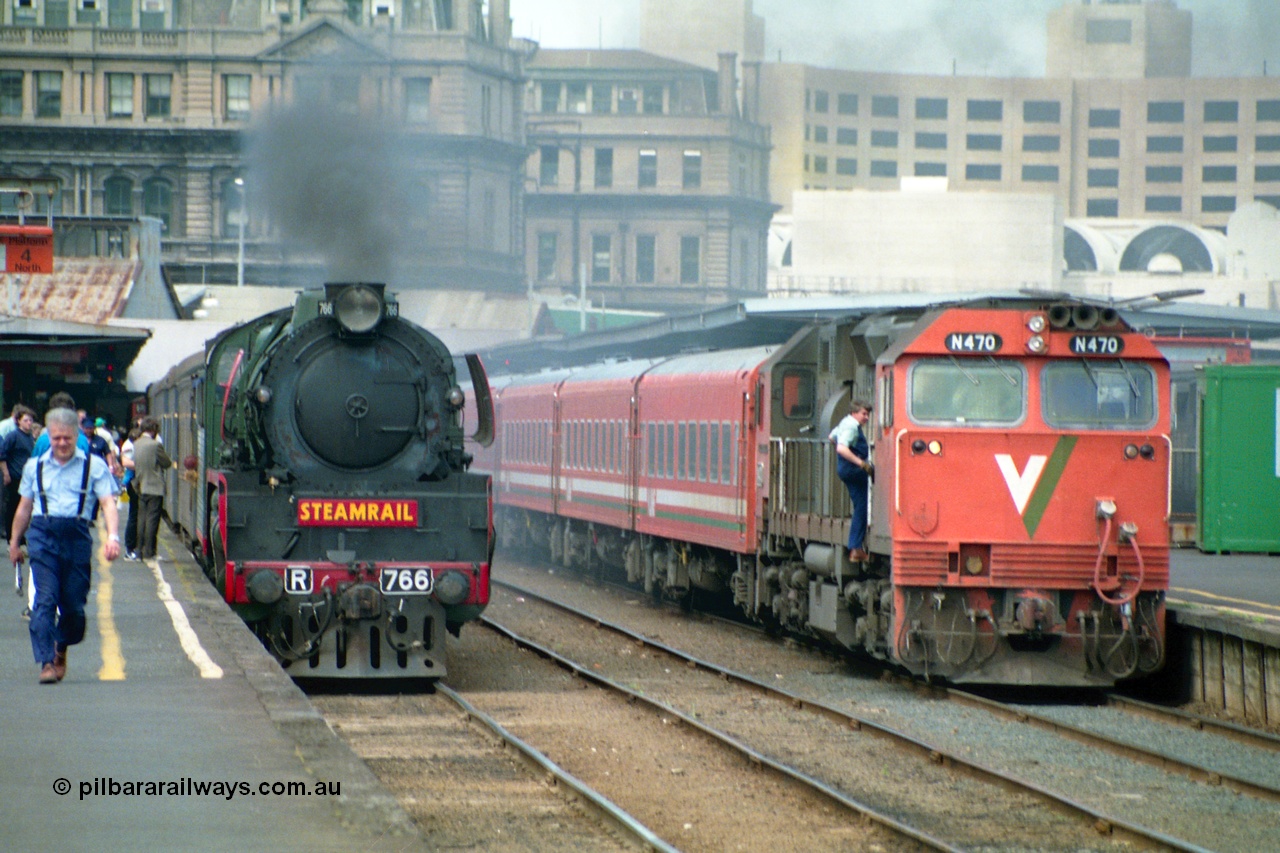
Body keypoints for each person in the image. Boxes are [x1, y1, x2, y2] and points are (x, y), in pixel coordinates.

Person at [10, 407, 121, 684]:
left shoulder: (93, 466)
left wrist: (113, 537)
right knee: (44, 600)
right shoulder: (33, 467)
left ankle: (61, 647)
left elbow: (108, 502)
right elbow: (24, 507)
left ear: (76, 436)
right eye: (56, 438)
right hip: (42, 535)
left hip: (77, 535)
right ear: (49, 436)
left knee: (73, 608)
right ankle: (46, 662)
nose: (61, 444)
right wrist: (15, 543)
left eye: (67, 439)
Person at [829, 398, 873, 563]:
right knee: (862, 505)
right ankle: (855, 547)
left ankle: (856, 547)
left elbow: (832, 437)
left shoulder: (844, 423)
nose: (866, 417)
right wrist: (861, 462)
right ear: (854, 412)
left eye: (867, 414)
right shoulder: (852, 427)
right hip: (853, 470)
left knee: (860, 503)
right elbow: (841, 448)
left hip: (845, 469)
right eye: (864, 414)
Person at [131, 418, 172, 562]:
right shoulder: (155, 445)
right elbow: (166, 463)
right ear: (154, 430)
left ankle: (138, 550)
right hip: (154, 487)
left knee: (141, 519)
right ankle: (150, 551)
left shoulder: (136, 444)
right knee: (152, 520)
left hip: (141, 485)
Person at [119, 423, 142, 560]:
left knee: (137, 515)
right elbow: (126, 463)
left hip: (134, 481)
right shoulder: (128, 446)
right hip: (133, 483)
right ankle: (130, 548)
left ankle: (135, 547)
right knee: (134, 515)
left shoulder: (131, 445)